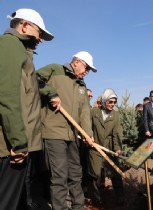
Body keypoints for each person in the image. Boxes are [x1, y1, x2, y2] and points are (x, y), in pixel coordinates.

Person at [0, 8, 53, 210]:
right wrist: (19, 141)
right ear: (24, 26)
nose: (40, 39)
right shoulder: (10, 45)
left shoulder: (20, 51)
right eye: (39, 32)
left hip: (16, 145)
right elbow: (6, 95)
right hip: (11, 148)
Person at [36, 51, 96, 210]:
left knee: (76, 174)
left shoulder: (82, 85)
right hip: (53, 132)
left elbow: (84, 111)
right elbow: (32, 78)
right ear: (76, 62)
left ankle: (78, 206)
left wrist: (87, 133)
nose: (87, 72)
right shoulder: (55, 70)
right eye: (87, 67)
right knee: (59, 176)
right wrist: (51, 93)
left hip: (72, 134)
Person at [88, 88, 125, 206]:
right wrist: (88, 136)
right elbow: (87, 125)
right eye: (110, 102)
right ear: (104, 101)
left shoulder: (115, 115)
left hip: (109, 149)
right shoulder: (94, 112)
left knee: (115, 173)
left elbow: (117, 133)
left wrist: (118, 148)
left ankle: (120, 197)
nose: (112, 105)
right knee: (95, 174)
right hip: (95, 148)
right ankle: (96, 198)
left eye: (114, 102)